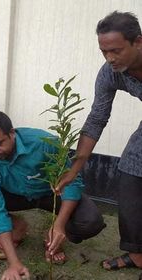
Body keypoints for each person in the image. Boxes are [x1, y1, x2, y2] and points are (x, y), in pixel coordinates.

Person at [0, 111, 105, 280]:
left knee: (91, 222)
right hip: (16, 195)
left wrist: (59, 225)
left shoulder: (44, 143)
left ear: (12, 133)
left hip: (51, 192)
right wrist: (13, 263)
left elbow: (72, 181)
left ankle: (55, 235)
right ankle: (17, 226)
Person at [55, 11, 142, 274]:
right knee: (129, 174)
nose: (110, 58)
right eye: (104, 52)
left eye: (116, 50)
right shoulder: (111, 73)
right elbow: (97, 118)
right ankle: (137, 254)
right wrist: (75, 168)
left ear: (138, 41)